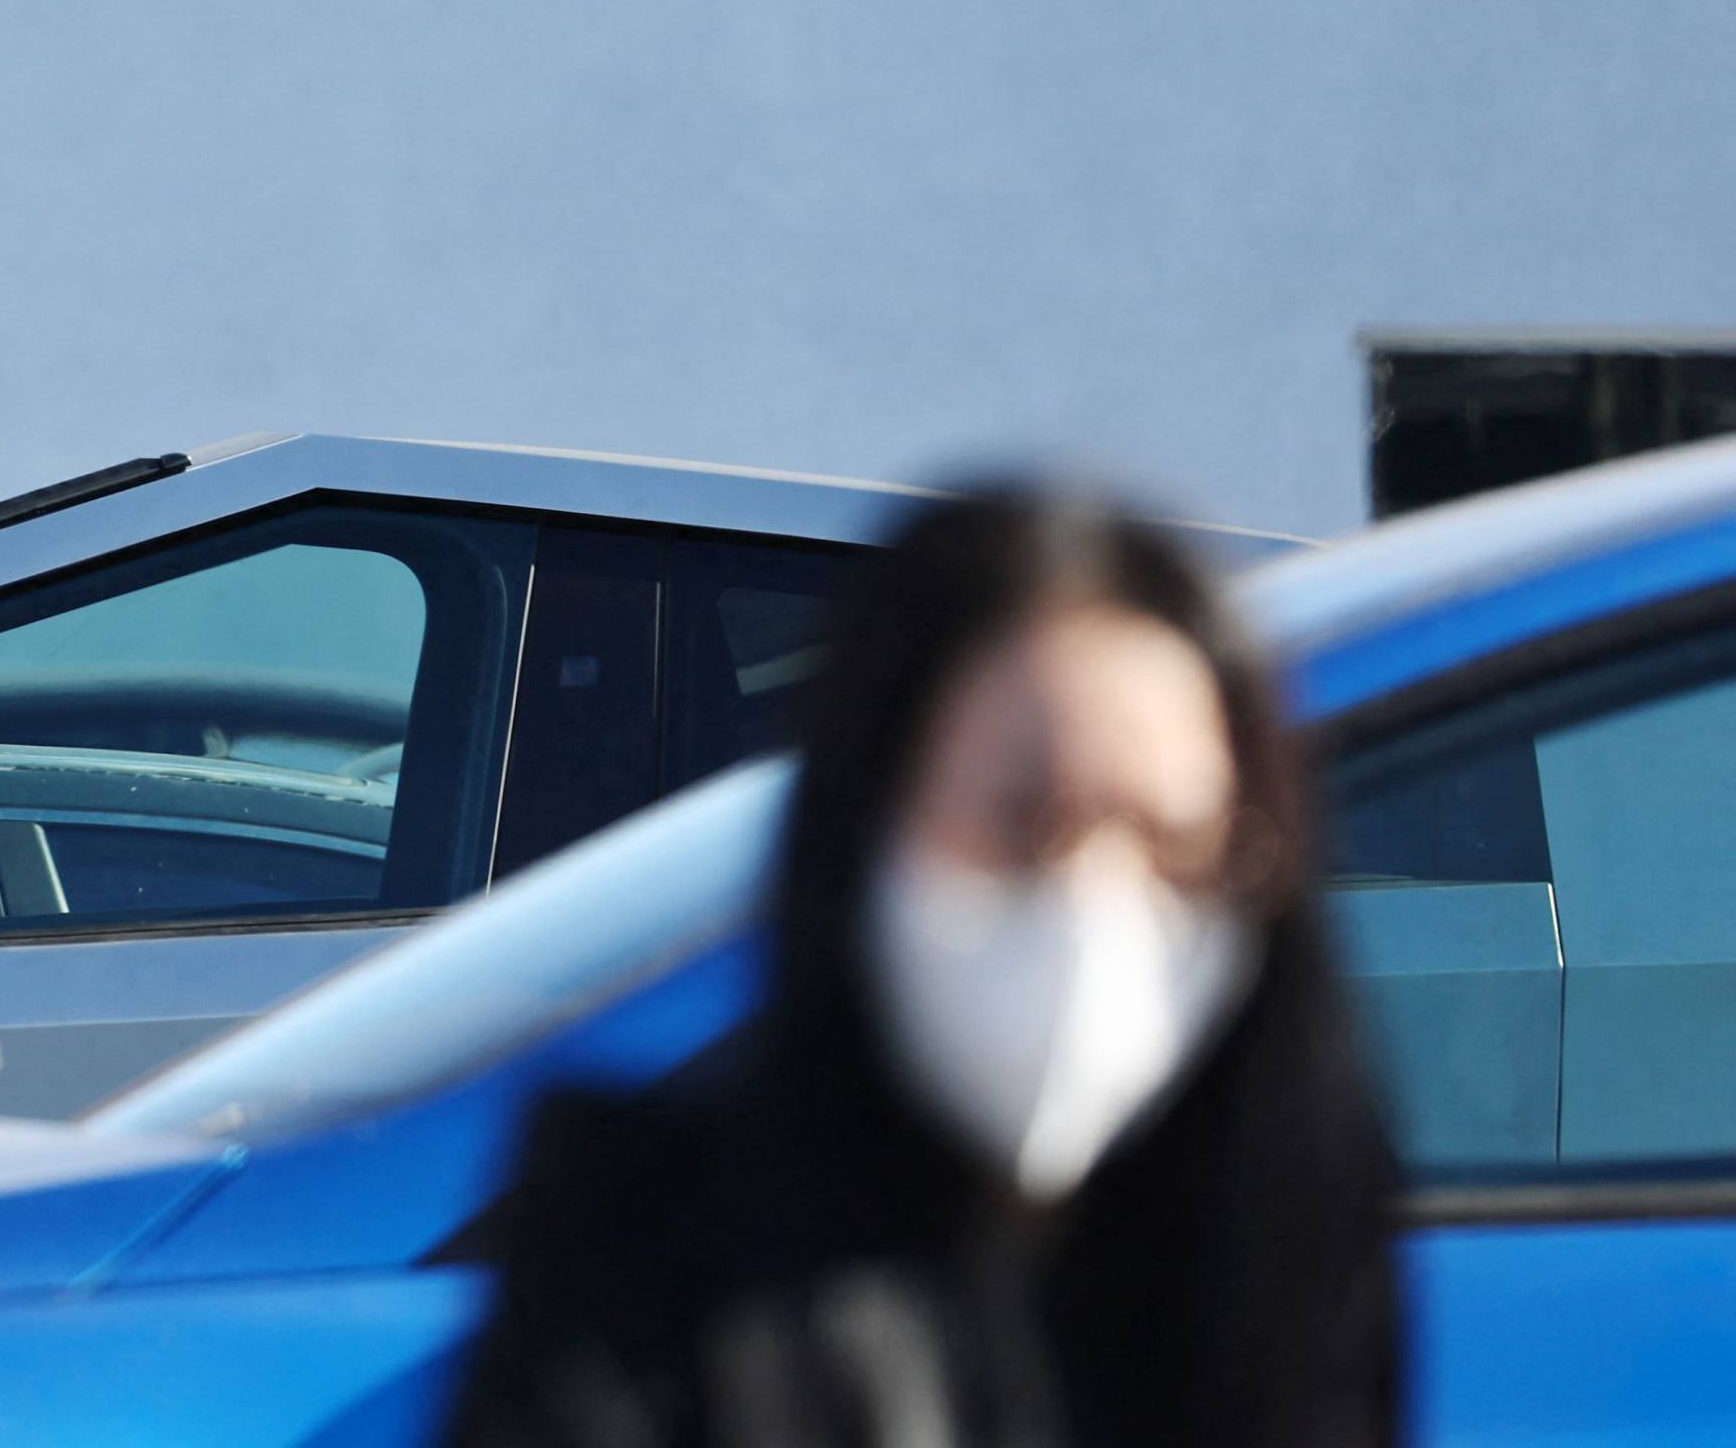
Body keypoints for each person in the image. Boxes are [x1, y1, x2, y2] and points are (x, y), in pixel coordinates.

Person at [442, 487, 1399, 1448]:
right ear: (867, 824)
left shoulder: (1291, 1254)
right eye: (1024, 823)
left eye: (1174, 844)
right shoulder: (646, 1256)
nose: (1094, 910)